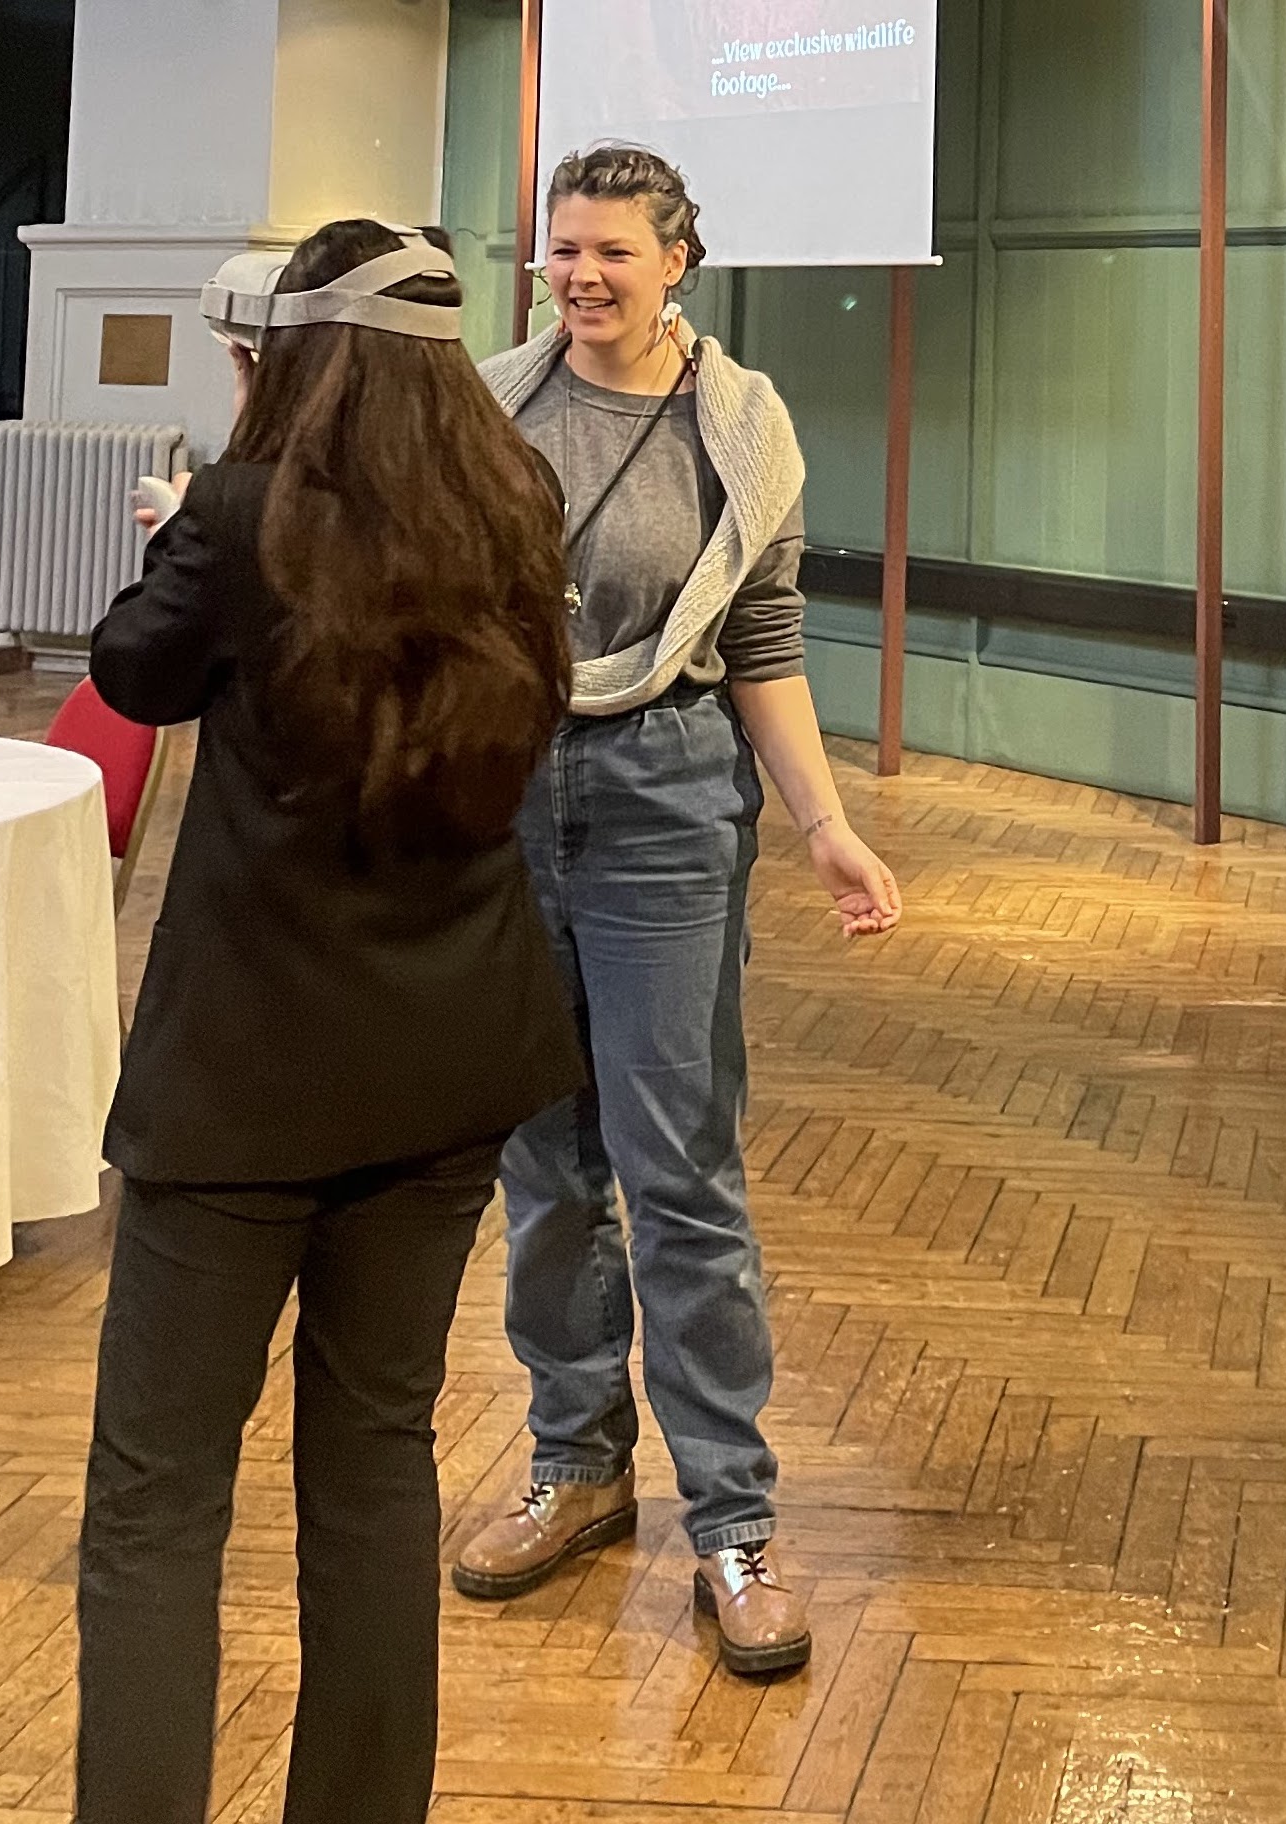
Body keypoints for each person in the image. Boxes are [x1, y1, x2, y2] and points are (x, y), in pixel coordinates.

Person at [73, 220, 585, 1823]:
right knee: (372, 1467)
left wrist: (191, 523)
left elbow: (129, 674)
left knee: (157, 1501)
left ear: (289, 356)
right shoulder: (517, 506)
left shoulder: (240, 511)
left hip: (245, 1077)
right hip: (447, 1068)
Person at [452, 144, 900, 1679]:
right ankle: (573, 1465)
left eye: (611, 254)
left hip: (666, 799)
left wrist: (826, 828)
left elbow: (762, 635)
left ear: (676, 263)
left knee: (679, 1172)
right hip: (509, 796)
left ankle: (735, 1522)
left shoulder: (740, 424)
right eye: (561, 250)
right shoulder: (488, 403)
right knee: (547, 1163)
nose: (580, 276)